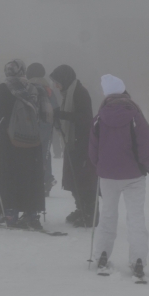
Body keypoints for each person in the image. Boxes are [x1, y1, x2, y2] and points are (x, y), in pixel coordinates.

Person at [89, 75, 149, 277]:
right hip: (134, 175)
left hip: (108, 176)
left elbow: (92, 150)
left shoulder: (99, 118)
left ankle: (102, 253)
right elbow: (145, 145)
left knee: (108, 215)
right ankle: (138, 260)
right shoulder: (135, 115)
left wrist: (100, 166)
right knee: (136, 217)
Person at [0, 59, 45, 229]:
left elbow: (0, 112)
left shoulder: (6, 88)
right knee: (28, 174)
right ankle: (31, 213)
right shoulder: (35, 89)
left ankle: (7, 212)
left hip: (10, 137)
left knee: (5, 173)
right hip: (32, 138)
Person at [50, 64, 97, 226]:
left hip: (82, 143)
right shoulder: (69, 93)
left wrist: (62, 115)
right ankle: (81, 209)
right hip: (73, 143)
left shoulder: (79, 93)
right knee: (74, 179)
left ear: (65, 79)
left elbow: (86, 118)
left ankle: (90, 213)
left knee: (83, 180)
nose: (56, 86)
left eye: (57, 82)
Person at [26, 63, 60, 196]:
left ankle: (33, 180)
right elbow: (55, 106)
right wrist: (57, 125)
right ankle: (46, 179)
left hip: (30, 125)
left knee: (30, 152)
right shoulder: (48, 88)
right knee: (45, 152)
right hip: (46, 124)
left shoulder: (27, 87)